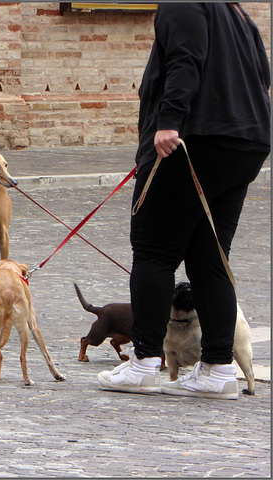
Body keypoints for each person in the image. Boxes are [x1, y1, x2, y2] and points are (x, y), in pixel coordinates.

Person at [97, 3, 270, 400]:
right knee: (211, 257)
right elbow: (263, 75)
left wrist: (168, 121)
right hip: (246, 141)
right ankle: (219, 368)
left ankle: (143, 363)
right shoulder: (237, 12)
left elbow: (185, 60)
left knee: (153, 250)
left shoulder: (183, 3)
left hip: (192, 141)